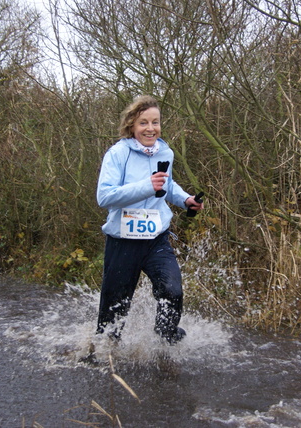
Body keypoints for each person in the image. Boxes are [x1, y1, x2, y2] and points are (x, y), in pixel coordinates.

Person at [96, 95, 203, 344]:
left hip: (156, 238)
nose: (150, 128)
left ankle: (165, 336)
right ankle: (101, 356)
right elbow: (105, 197)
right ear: (132, 125)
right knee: (113, 313)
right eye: (143, 123)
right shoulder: (118, 154)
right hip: (123, 240)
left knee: (172, 291)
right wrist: (146, 186)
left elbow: (168, 185)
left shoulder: (165, 152)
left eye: (155, 122)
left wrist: (186, 200)